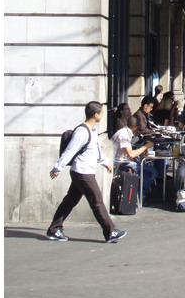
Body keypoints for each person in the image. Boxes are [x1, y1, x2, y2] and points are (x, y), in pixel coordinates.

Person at [46, 101, 126, 243]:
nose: (103, 115)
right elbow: (70, 151)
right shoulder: (82, 132)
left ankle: (54, 229)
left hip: (83, 172)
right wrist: (58, 167)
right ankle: (110, 232)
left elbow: (95, 150)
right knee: (97, 201)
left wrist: (105, 163)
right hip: (82, 173)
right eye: (101, 112)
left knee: (70, 201)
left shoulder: (92, 131)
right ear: (95, 115)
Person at [111, 116, 158, 198]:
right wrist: (146, 146)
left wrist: (142, 149)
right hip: (119, 165)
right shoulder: (123, 135)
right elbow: (131, 154)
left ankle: (137, 194)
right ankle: (137, 196)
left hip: (124, 161)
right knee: (151, 172)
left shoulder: (125, 132)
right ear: (135, 127)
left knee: (148, 169)